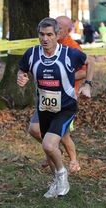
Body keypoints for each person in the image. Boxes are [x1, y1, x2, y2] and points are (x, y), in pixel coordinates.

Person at [17, 17, 94, 198]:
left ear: (57, 35)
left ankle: (61, 174)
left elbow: (90, 60)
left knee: (49, 144)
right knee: (47, 147)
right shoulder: (32, 54)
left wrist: (88, 85)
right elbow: (22, 69)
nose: (45, 39)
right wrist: (20, 76)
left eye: (49, 35)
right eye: (42, 35)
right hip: (44, 107)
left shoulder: (68, 53)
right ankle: (57, 181)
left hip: (65, 107)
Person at [29, 15, 88, 174]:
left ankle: (74, 161)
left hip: (65, 100)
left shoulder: (73, 48)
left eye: (58, 29)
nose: (50, 33)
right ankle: (53, 150)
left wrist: (62, 77)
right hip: (46, 97)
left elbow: (85, 70)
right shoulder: (46, 47)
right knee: (34, 129)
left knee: (64, 135)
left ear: (68, 31)